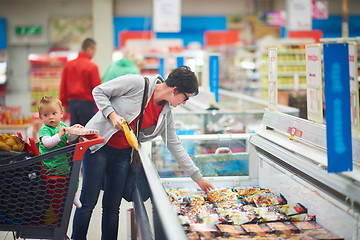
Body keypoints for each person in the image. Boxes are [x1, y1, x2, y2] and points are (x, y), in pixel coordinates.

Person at [71, 66, 214, 239]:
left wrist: (197, 177)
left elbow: (175, 145)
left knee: (112, 206)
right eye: (185, 98)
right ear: (175, 90)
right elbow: (99, 91)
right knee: (88, 202)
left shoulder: (166, 113)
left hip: (123, 154)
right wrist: (112, 115)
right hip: (98, 146)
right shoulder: (137, 83)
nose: (184, 103)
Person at [38, 95, 83, 208]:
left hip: (61, 162)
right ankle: (69, 195)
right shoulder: (45, 129)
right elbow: (48, 144)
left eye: (54, 113)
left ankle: (73, 194)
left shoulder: (62, 125)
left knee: (74, 176)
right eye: (46, 115)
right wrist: (59, 135)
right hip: (50, 164)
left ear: (61, 113)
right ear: (41, 117)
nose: (51, 117)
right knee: (65, 180)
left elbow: (69, 139)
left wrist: (74, 131)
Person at [60, 38, 102, 126]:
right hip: (87, 104)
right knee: (88, 133)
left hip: (72, 103)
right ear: (90, 48)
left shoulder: (69, 65)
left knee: (74, 132)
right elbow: (97, 88)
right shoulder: (92, 66)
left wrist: (64, 103)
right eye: (95, 50)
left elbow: (63, 85)